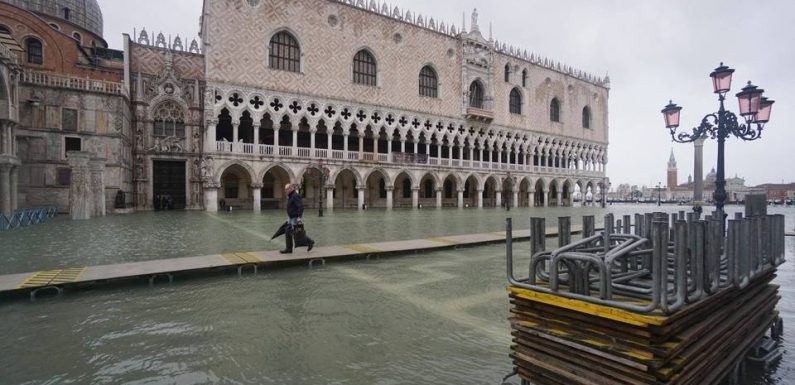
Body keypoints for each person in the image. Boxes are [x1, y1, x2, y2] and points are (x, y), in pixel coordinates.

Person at [281, 183, 315, 254]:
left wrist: (299, 217)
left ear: (291, 188)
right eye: (285, 189)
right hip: (291, 217)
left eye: (286, 189)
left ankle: (310, 241)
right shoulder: (291, 196)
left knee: (296, 233)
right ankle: (289, 249)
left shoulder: (295, 195)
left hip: (295, 217)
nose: (285, 191)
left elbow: (300, 206)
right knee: (288, 231)